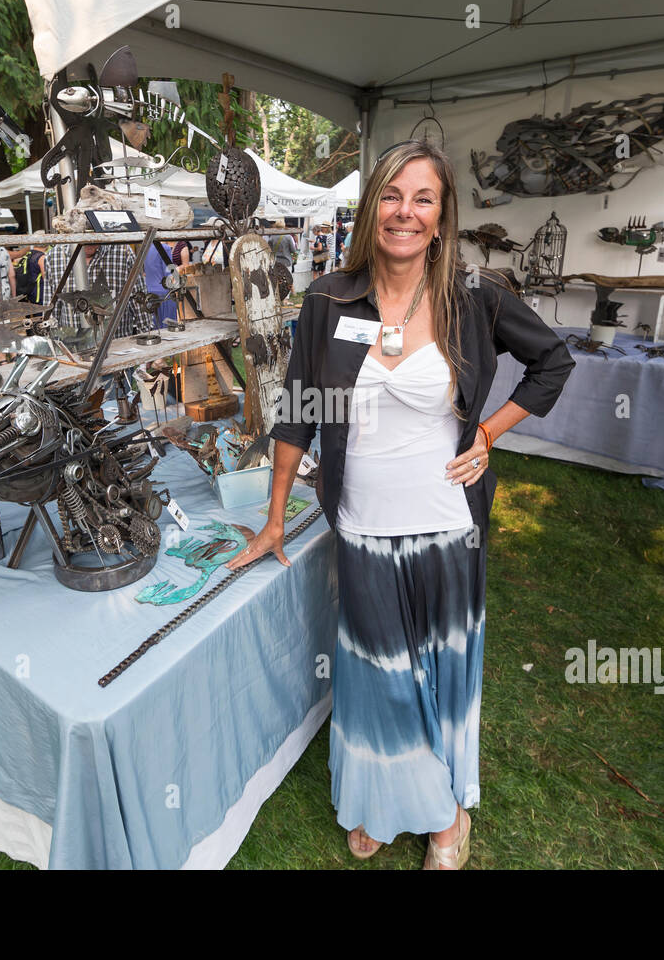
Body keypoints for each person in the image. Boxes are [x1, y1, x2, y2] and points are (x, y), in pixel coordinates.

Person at [225, 140, 574, 869]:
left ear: (442, 216)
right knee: (380, 671)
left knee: (437, 673)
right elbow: (296, 411)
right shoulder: (327, 299)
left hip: (450, 525)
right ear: (370, 207)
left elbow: (553, 361)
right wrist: (274, 514)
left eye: (423, 198)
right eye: (391, 195)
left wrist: (487, 431)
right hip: (360, 524)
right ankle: (387, 798)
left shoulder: (474, 295)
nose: (405, 212)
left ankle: (445, 817)